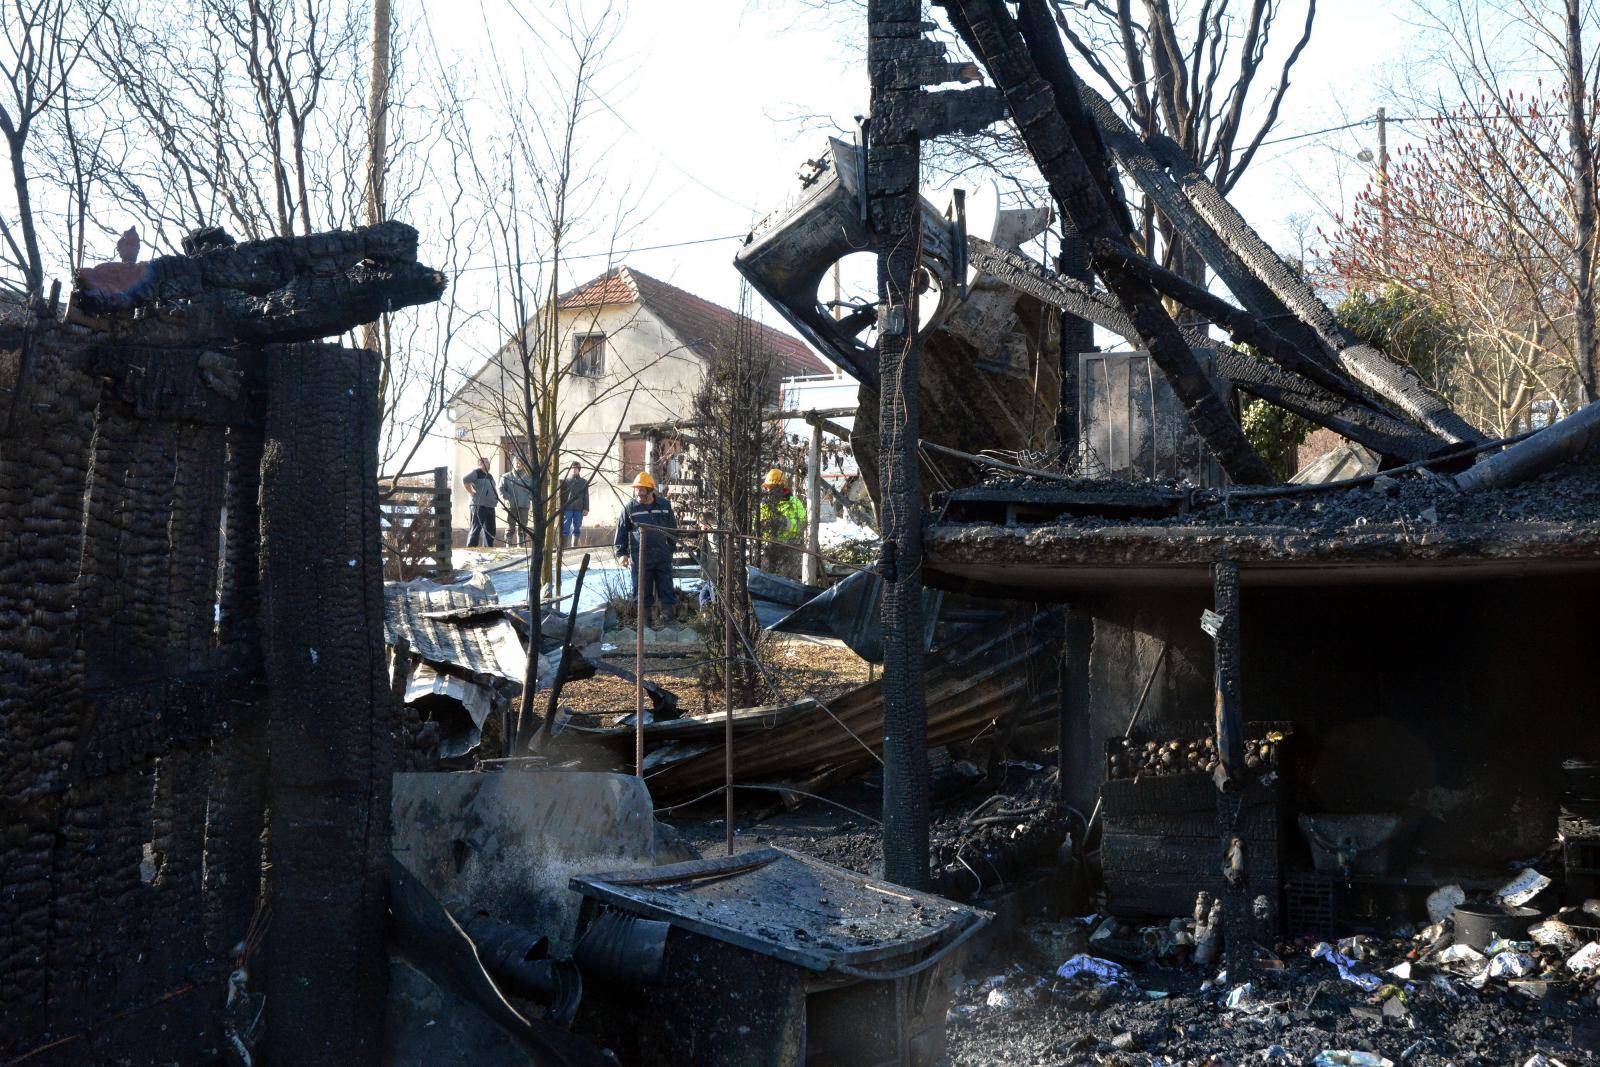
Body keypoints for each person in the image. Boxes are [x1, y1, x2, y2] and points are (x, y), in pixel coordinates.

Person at [614, 471, 678, 628]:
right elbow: (621, 531)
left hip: (662, 555)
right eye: (637, 489)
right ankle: (645, 627)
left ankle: (669, 624)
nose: (639, 492)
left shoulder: (664, 506)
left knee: (667, 589)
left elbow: (672, 529)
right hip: (640, 557)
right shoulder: (630, 508)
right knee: (642, 591)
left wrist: (671, 548)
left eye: (642, 489)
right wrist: (622, 554)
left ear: (651, 490)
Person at [758, 467, 807, 580]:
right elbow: (756, 525)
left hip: (789, 550)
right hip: (769, 549)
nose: (769, 490)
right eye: (768, 487)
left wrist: (786, 524)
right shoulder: (764, 505)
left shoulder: (794, 503)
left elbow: (803, 524)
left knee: (787, 581)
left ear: (780, 486)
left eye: (771, 487)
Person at [463, 456, 499, 548]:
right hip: (479, 505)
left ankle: (488, 548)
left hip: (490, 505)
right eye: (485, 462)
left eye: (488, 462)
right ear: (480, 464)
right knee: (476, 528)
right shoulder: (476, 473)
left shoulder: (490, 476)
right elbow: (465, 480)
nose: (488, 464)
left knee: (491, 530)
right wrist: (471, 492)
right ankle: (471, 548)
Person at [499, 457, 534, 547]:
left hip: (524, 505)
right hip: (511, 506)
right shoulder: (506, 476)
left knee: (523, 527)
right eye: (517, 463)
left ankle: (521, 546)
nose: (518, 465)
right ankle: (508, 545)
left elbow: (532, 490)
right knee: (510, 526)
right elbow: (501, 489)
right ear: (513, 464)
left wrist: (528, 498)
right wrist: (508, 497)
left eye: (520, 463)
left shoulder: (528, 477)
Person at [558, 461, 590, 551]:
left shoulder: (584, 482)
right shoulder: (565, 481)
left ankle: (574, 547)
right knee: (565, 528)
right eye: (572, 468)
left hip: (579, 509)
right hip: (567, 508)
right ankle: (563, 547)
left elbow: (586, 496)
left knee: (577, 528)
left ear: (579, 470)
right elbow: (562, 496)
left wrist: (586, 508)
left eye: (576, 468)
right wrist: (561, 507)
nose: (574, 470)